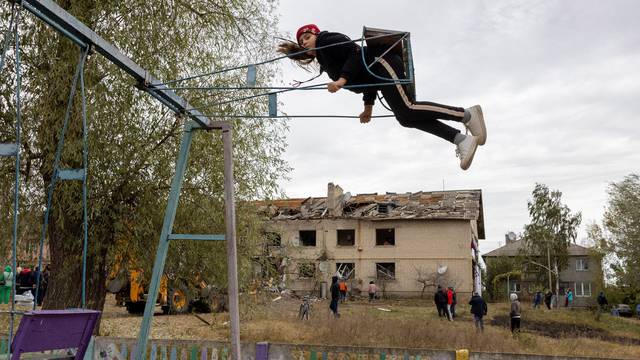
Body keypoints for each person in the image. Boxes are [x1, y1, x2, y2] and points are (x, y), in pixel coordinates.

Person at [278, 24, 487, 170]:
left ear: (316, 34)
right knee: (405, 118)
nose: (304, 42)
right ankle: (460, 139)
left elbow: (355, 54)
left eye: (307, 36)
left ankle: (466, 115)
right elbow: (365, 78)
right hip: (376, 74)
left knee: (409, 107)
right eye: (301, 41)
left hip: (382, 61)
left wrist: (341, 80)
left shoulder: (327, 39)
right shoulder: (326, 62)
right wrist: (368, 107)